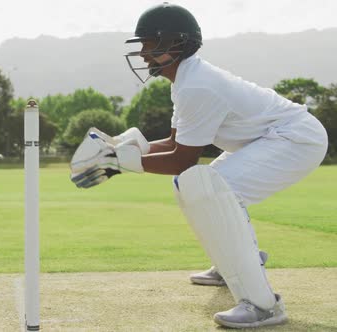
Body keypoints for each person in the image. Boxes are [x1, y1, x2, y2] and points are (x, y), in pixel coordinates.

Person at [69, 2, 328, 329]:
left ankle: (263, 306)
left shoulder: (197, 84)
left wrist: (115, 163)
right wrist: (120, 147)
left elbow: (181, 160)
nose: (144, 53)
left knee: (209, 190)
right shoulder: (186, 80)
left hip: (296, 139)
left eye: (150, 43)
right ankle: (232, 262)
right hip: (268, 138)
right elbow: (177, 144)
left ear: (176, 42)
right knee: (196, 187)